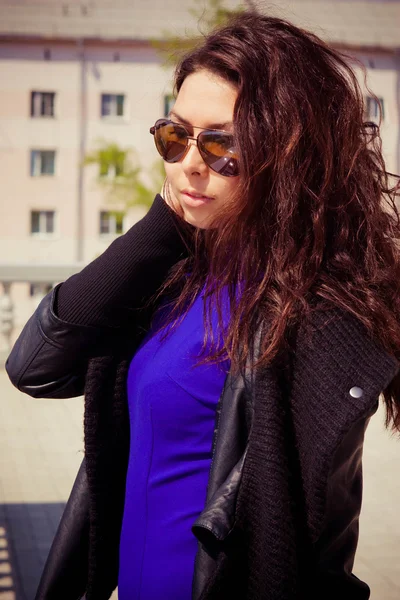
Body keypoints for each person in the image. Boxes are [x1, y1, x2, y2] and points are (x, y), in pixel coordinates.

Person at [6, 11, 400, 600]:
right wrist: (157, 230)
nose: (190, 161)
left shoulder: (313, 313)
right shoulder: (176, 275)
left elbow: (313, 537)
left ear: (286, 154)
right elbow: (33, 367)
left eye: (221, 144)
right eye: (176, 135)